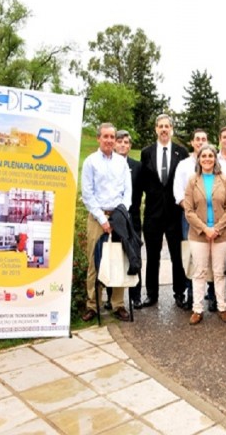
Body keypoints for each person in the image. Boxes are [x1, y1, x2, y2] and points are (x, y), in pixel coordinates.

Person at [80, 123, 132, 322]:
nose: (110, 140)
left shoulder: (121, 162)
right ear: (98, 139)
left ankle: (117, 304)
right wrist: (102, 219)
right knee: (95, 261)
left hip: (118, 216)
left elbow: (128, 191)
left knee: (118, 259)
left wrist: (121, 213)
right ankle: (93, 304)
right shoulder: (90, 162)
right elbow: (87, 194)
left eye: (112, 137)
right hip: (97, 217)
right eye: (106, 137)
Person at [139, 114, 189, 308]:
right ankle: (151, 294)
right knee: (152, 256)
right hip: (153, 213)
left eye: (167, 126)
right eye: (160, 126)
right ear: (155, 129)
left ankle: (179, 293)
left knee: (177, 256)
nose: (164, 129)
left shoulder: (181, 152)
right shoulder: (146, 152)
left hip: (175, 214)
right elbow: (143, 180)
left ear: (172, 129)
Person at [184, 144, 226, 325]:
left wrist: (217, 229)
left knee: (219, 271)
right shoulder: (192, 180)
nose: (207, 159)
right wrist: (205, 229)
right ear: (198, 159)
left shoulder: (224, 179)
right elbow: (188, 210)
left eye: (210, 156)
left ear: (215, 158)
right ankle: (197, 309)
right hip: (199, 234)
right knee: (199, 272)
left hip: (221, 234)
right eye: (203, 156)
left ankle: (223, 307)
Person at [106, 130, 143, 309]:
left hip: (132, 218)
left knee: (134, 255)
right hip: (112, 219)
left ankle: (136, 296)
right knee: (113, 256)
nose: (122, 145)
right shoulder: (108, 165)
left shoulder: (138, 167)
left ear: (130, 146)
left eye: (126, 142)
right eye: (119, 141)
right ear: (114, 144)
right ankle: (111, 297)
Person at [173, 128, 209, 310]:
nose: (200, 142)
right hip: (188, 216)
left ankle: (208, 294)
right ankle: (190, 294)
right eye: (197, 139)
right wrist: (189, 211)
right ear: (192, 143)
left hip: (210, 217)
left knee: (208, 253)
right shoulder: (184, 165)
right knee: (190, 254)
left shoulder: (212, 164)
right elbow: (178, 192)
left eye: (204, 139)